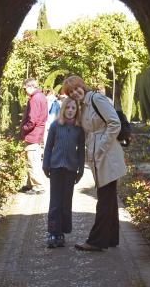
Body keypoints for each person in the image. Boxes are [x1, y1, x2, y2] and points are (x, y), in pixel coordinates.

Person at [62, 75, 127, 251]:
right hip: (99, 156)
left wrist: (101, 149)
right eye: (71, 92)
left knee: (105, 199)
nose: (75, 93)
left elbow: (114, 123)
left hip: (107, 155)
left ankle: (96, 241)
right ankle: (111, 238)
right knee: (109, 197)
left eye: (76, 88)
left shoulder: (96, 99)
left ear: (83, 86)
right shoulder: (83, 106)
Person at [43, 97, 85, 248]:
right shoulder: (55, 126)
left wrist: (80, 169)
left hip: (71, 170)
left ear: (77, 111)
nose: (70, 111)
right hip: (55, 168)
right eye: (68, 108)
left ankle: (62, 231)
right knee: (55, 202)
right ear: (63, 109)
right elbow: (48, 147)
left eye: (73, 108)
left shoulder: (79, 129)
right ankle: (53, 233)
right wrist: (45, 164)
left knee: (66, 202)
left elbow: (81, 150)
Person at [20, 78, 48, 194]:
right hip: (37, 133)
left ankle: (38, 186)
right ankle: (30, 184)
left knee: (32, 161)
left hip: (32, 134)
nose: (25, 91)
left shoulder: (35, 99)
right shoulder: (41, 96)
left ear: (30, 86)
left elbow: (33, 120)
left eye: (25, 88)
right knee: (32, 159)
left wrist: (23, 128)